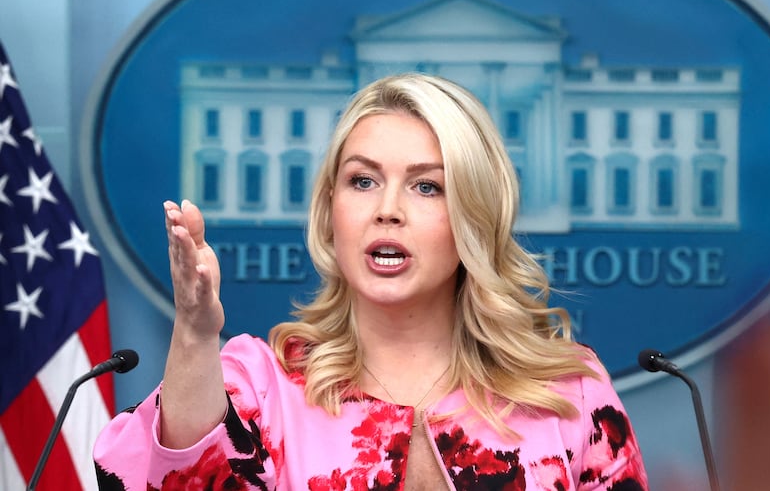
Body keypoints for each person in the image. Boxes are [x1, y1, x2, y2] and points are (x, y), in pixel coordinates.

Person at [93, 73, 649, 490]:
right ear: (331, 210)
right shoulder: (261, 385)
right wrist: (194, 330)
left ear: (474, 217)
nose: (388, 209)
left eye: (427, 187)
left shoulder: (568, 396)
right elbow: (171, 480)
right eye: (362, 180)